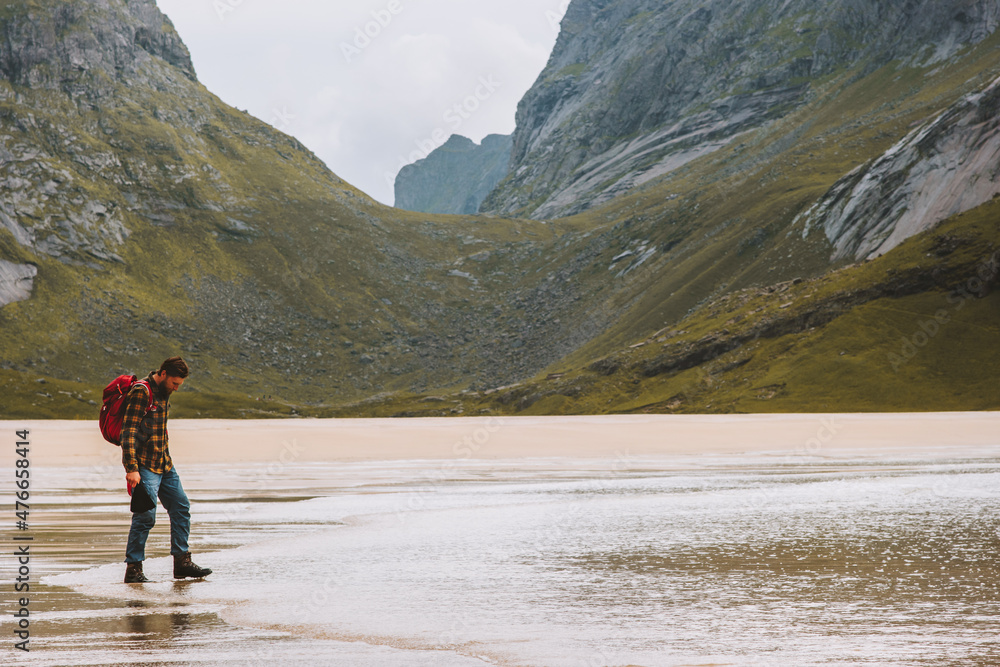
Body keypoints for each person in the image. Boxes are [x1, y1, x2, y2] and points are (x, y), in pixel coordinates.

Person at [121, 356, 212, 584]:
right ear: (163, 374)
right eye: (174, 383)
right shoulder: (142, 392)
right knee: (145, 516)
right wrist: (131, 468)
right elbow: (128, 431)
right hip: (144, 465)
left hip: (165, 464)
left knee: (181, 507)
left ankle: (182, 563)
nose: (176, 388)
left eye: (179, 384)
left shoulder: (164, 393)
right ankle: (133, 569)